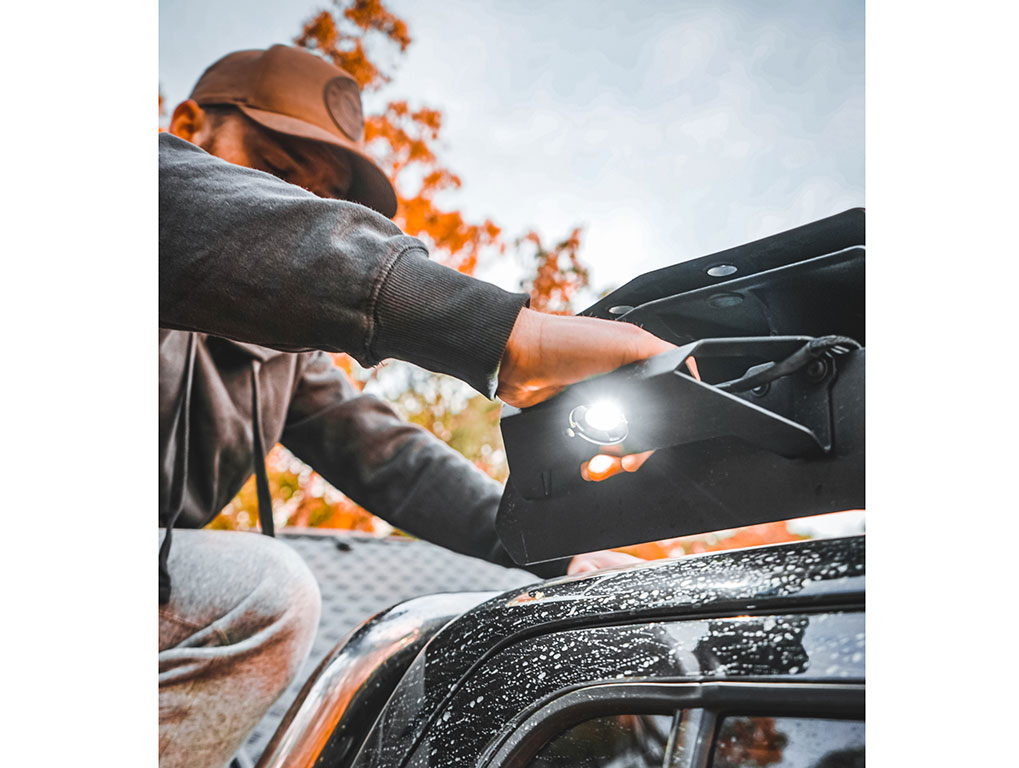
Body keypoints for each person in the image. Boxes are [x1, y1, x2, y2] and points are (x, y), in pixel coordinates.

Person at [159, 44, 668, 768]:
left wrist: (557, 553)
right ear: (187, 124)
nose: (289, 205)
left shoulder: (284, 366)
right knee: (265, 592)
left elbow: (396, 460)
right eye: (274, 170)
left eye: (315, 201)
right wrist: (504, 336)